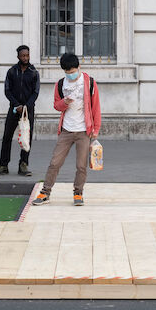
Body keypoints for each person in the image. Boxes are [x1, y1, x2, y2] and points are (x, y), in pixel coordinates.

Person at [32, 53, 101, 207]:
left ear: (78, 68)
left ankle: (78, 193)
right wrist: (65, 102)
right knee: (55, 162)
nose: (70, 75)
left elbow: (96, 107)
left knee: (81, 165)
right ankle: (45, 192)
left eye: (72, 72)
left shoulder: (89, 83)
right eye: (67, 73)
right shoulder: (60, 84)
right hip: (66, 130)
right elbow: (56, 105)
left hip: (84, 131)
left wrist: (96, 128)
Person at [0, 45, 40, 177]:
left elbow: (35, 92)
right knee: (7, 136)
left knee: (26, 137)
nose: (25, 58)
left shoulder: (34, 72)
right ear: (18, 56)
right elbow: (7, 90)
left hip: (28, 111)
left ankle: (23, 165)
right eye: (23, 55)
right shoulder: (12, 71)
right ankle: (3, 165)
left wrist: (26, 106)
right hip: (13, 109)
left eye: (27, 55)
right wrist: (16, 105)